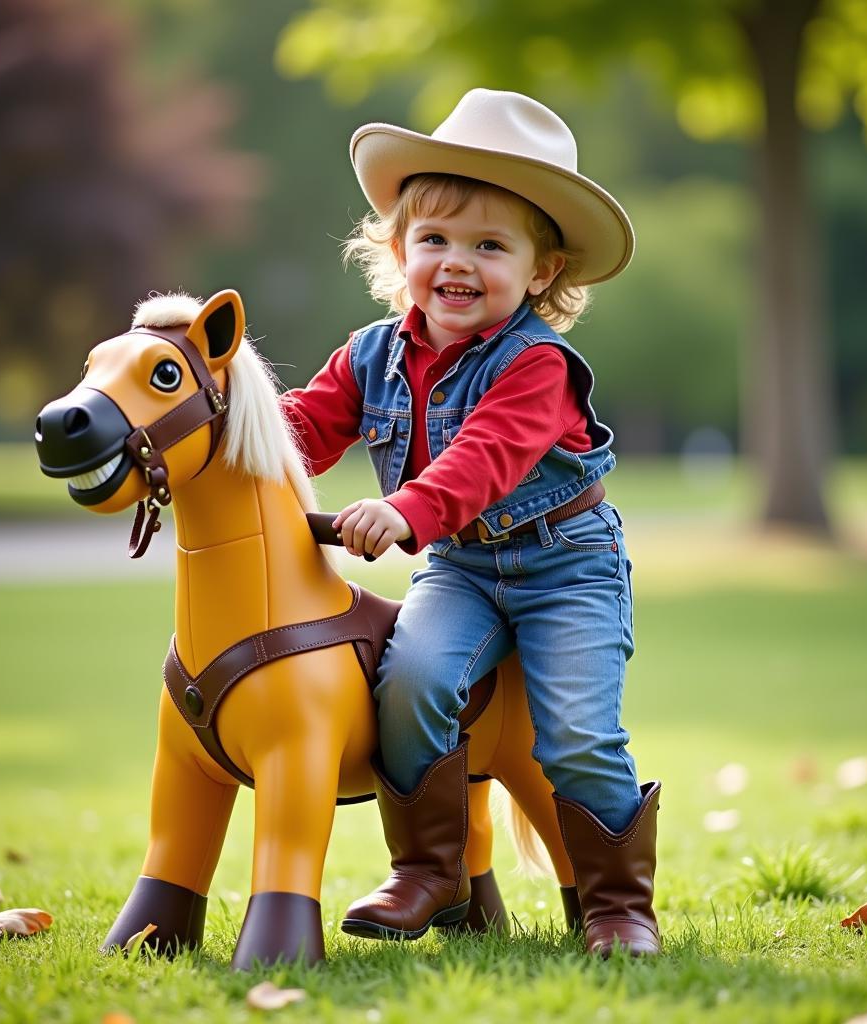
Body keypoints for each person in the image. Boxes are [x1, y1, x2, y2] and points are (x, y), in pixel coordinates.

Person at [280, 88, 661, 958]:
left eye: (490, 245)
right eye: (436, 240)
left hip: (567, 564)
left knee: (576, 731)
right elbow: (300, 429)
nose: (458, 262)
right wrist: (227, 437)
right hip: (460, 569)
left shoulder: (540, 366)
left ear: (541, 272)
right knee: (409, 681)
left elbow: (484, 458)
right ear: (399, 249)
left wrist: (402, 510)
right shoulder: (370, 354)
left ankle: (616, 907)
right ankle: (430, 870)